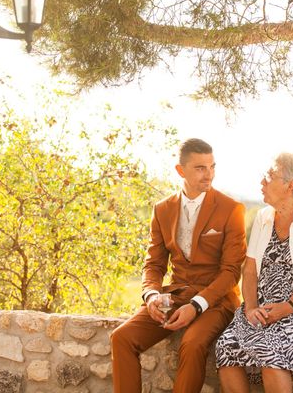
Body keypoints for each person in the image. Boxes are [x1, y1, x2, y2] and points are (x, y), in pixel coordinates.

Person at [111, 138, 247, 393]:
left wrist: (197, 306)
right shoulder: (162, 209)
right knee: (122, 338)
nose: (209, 174)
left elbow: (231, 272)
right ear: (180, 170)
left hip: (216, 300)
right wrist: (151, 295)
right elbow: (154, 263)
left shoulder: (231, 209)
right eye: (200, 168)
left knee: (193, 343)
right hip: (175, 296)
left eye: (212, 166)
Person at [216, 153, 293, 392]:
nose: (262, 182)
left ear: (290, 185)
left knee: (271, 347)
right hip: (263, 308)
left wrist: (287, 307)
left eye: (269, 176)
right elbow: (250, 269)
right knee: (226, 345)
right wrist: (251, 307)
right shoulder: (263, 217)